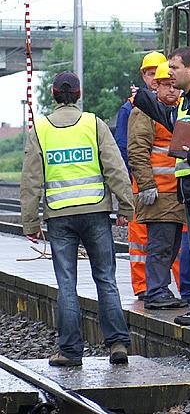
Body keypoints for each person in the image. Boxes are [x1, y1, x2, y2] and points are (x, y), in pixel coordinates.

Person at [21, 72, 133, 367]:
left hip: (60, 217)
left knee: (67, 283)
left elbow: (31, 180)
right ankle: (117, 343)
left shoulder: (40, 129)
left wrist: (30, 223)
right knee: (106, 279)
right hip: (96, 212)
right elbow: (115, 168)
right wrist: (126, 206)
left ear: (55, 95)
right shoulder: (93, 125)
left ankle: (70, 351)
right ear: (78, 95)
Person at [134, 47, 190, 326]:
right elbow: (172, 123)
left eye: (173, 68)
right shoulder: (187, 101)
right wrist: (144, 100)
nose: (169, 72)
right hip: (189, 189)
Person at [128, 61, 186, 310]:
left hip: (176, 192)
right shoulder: (145, 111)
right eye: (166, 85)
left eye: (175, 86)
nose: (171, 91)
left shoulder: (179, 109)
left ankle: (159, 289)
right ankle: (156, 291)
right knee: (160, 245)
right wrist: (147, 185)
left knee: (171, 245)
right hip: (159, 192)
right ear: (157, 87)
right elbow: (137, 150)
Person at [114, 51, 166, 300]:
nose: (154, 77)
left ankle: (170, 285)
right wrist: (125, 190)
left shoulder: (172, 104)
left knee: (167, 240)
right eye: (150, 73)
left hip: (168, 186)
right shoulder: (130, 108)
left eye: (159, 72)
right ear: (143, 76)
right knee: (140, 240)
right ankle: (143, 286)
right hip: (140, 184)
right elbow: (124, 148)